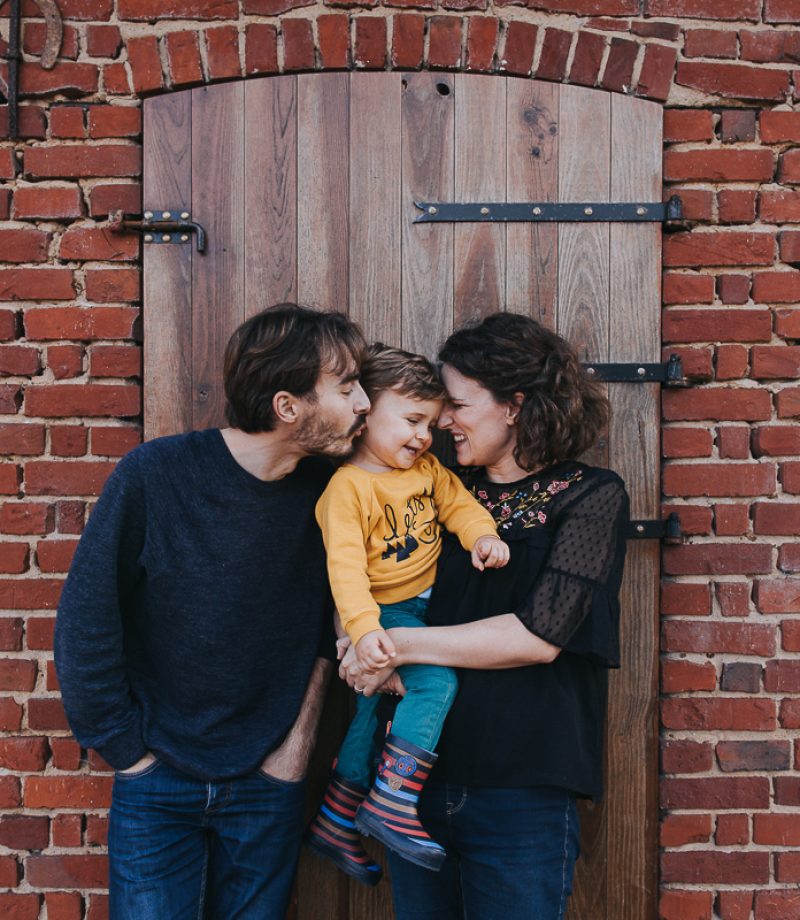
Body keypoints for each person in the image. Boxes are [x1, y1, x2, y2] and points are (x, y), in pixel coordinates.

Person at [54, 303, 371, 920]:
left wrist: (297, 748)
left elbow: (322, 629)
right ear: (288, 407)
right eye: (347, 386)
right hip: (156, 779)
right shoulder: (157, 474)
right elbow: (87, 624)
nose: (364, 402)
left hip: (269, 781)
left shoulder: (332, 495)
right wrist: (129, 754)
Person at [339, 312, 630, 920]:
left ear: (515, 406)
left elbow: (540, 635)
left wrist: (391, 646)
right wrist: (353, 635)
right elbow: (355, 569)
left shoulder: (591, 495)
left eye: (459, 404)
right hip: (414, 787)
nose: (443, 421)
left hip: (521, 788)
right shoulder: (427, 487)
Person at [305, 344, 508, 885]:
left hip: (423, 607)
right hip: (383, 612)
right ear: (367, 411)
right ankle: (394, 799)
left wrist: (481, 534)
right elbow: (344, 569)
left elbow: (460, 504)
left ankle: (336, 817)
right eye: (412, 420)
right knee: (435, 685)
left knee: (371, 717)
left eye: (429, 424)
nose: (423, 435)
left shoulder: (426, 469)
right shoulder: (347, 488)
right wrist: (365, 630)